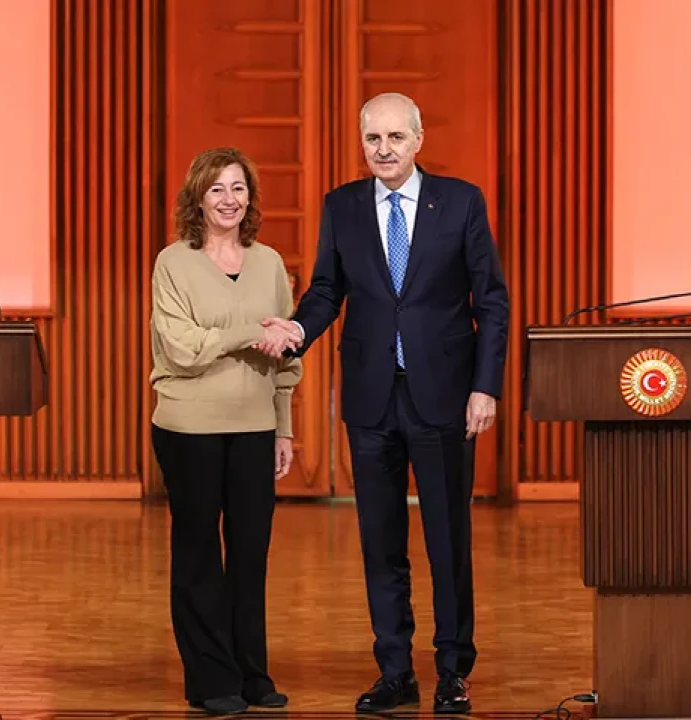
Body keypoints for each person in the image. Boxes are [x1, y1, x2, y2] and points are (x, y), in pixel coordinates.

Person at [264, 92, 509, 714]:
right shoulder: (342, 205)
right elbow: (326, 290)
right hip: (372, 398)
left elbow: (491, 301)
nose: (385, 148)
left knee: (447, 540)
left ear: (419, 140)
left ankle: (452, 671)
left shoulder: (461, 201)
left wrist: (485, 387)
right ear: (362, 143)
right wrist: (297, 330)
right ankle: (395, 671)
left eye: (397, 137)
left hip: (445, 396)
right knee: (380, 543)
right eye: (373, 138)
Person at [149, 146, 302, 716]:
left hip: (255, 425)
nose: (228, 199)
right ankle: (211, 678)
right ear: (197, 198)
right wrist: (246, 332)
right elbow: (183, 348)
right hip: (188, 427)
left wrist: (283, 428)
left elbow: (285, 355)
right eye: (216, 189)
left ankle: (250, 673)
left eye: (238, 188)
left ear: (250, 198)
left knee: (250, 554)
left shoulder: (269, 263)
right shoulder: (173, 263)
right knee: (198, 555)